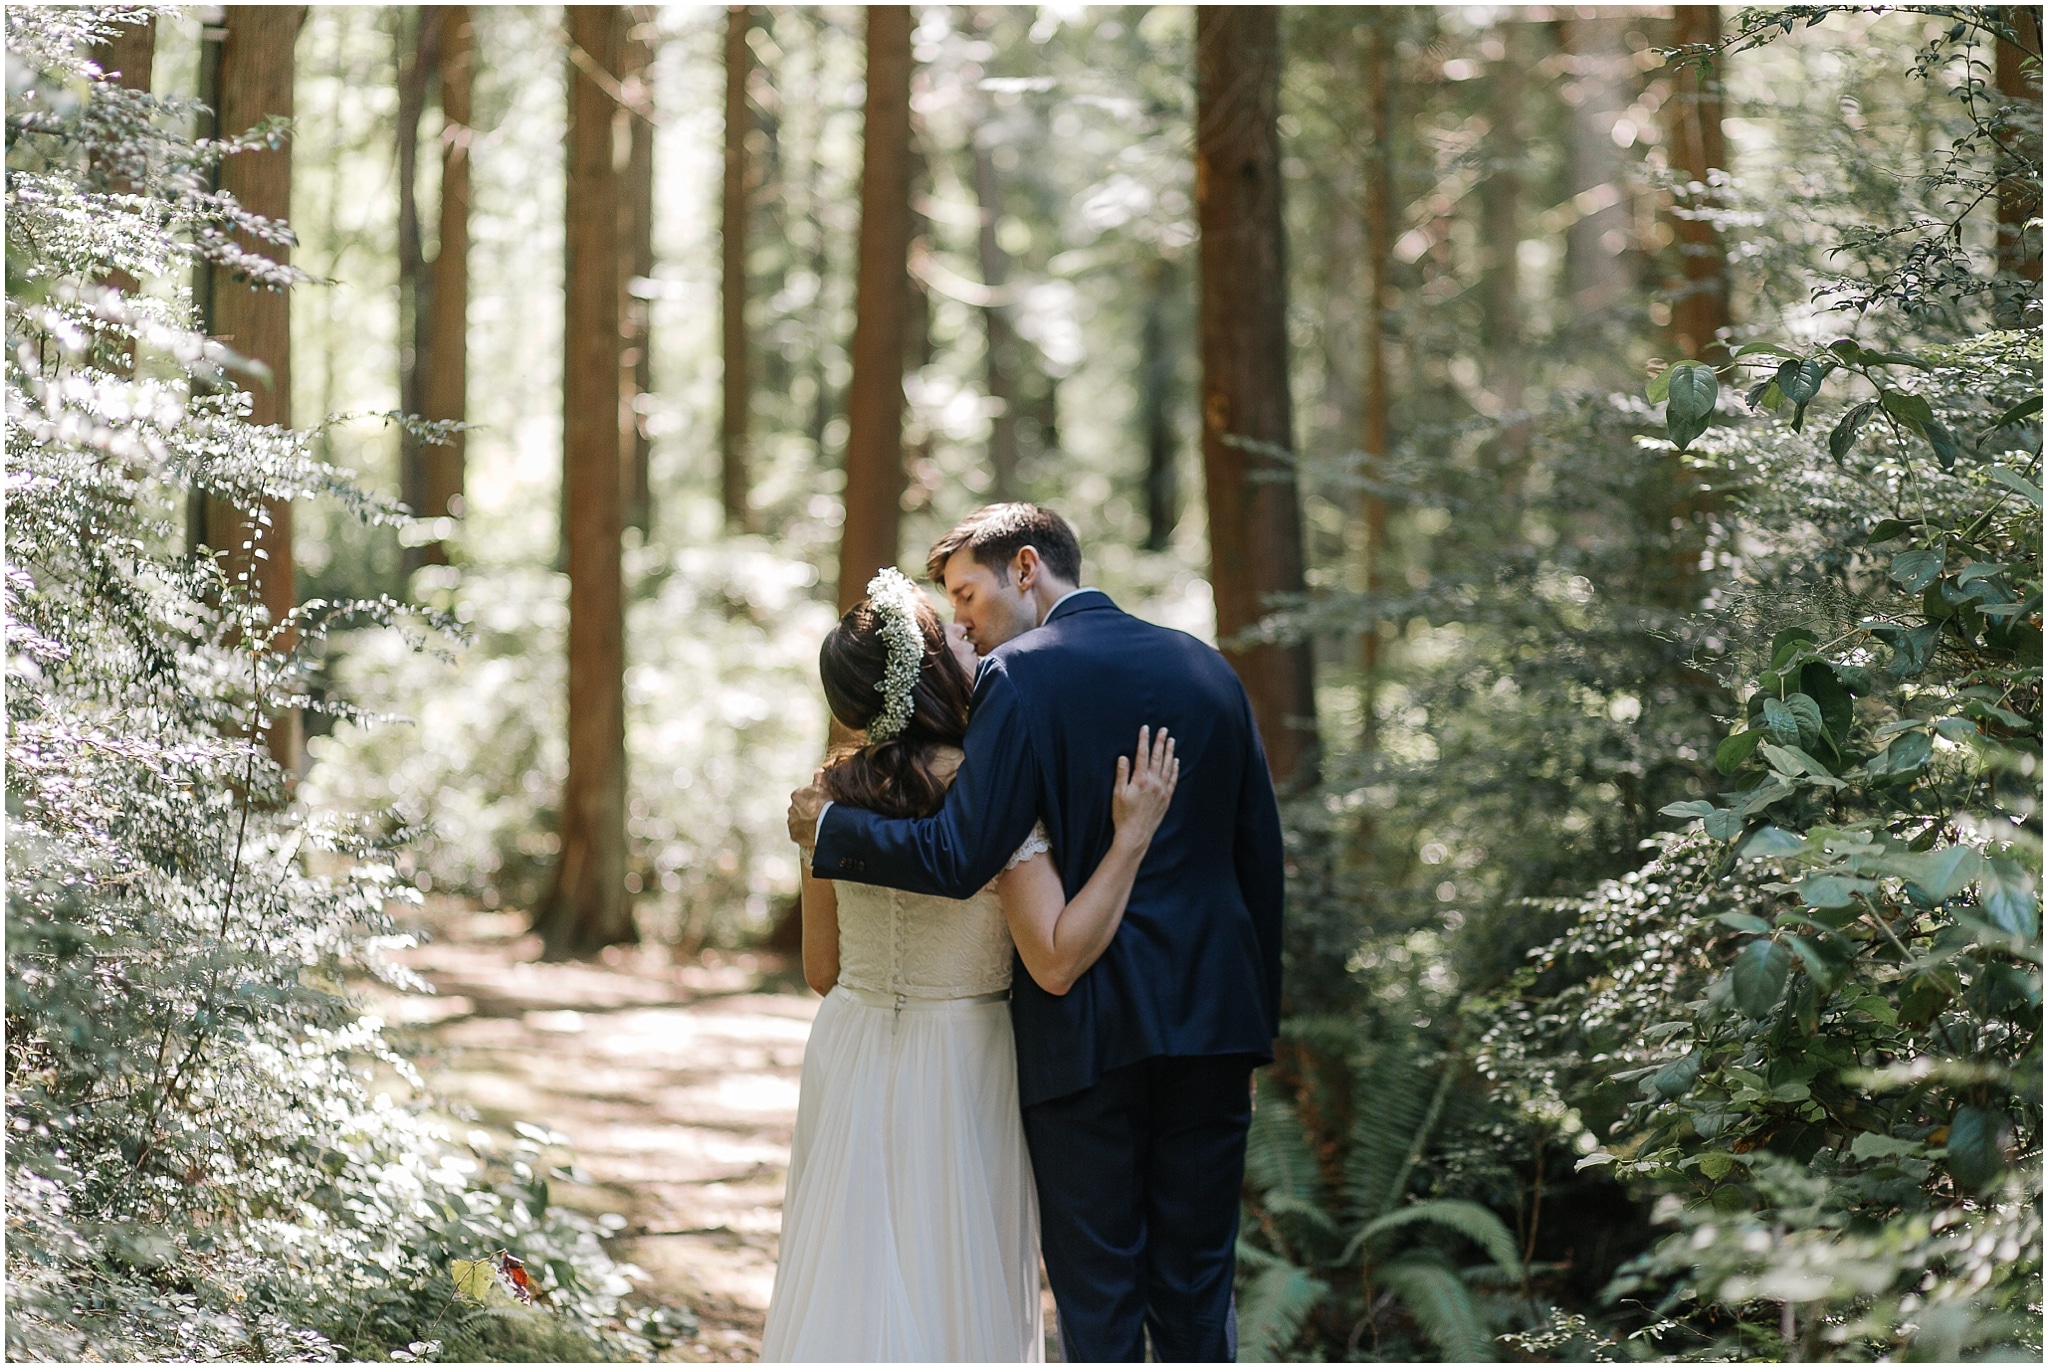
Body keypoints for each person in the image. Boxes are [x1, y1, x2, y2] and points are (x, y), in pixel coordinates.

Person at [788, 504, 1286, 1362]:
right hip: (1211, 1029)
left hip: (1082, 1034)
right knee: (1200, 1297)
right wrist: (1255, 1035)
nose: (966, 623)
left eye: (968, 595)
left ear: (1026, 568)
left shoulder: (1019, 678)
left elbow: (958, 854)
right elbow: (1258, 867)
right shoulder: (1208, 669)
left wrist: (829, 832)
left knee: (1100, 1303)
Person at [762, 566, 1180, 1362]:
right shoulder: (987, 797)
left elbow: (822, 968)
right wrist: (1131, 840)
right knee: (953, 1274)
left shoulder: (824, 799)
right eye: (953, 634)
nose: (973, 639)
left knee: (853, 1274)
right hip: (961, 1056)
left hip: (849, 1043)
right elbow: (1055, 957)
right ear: (926, 669)